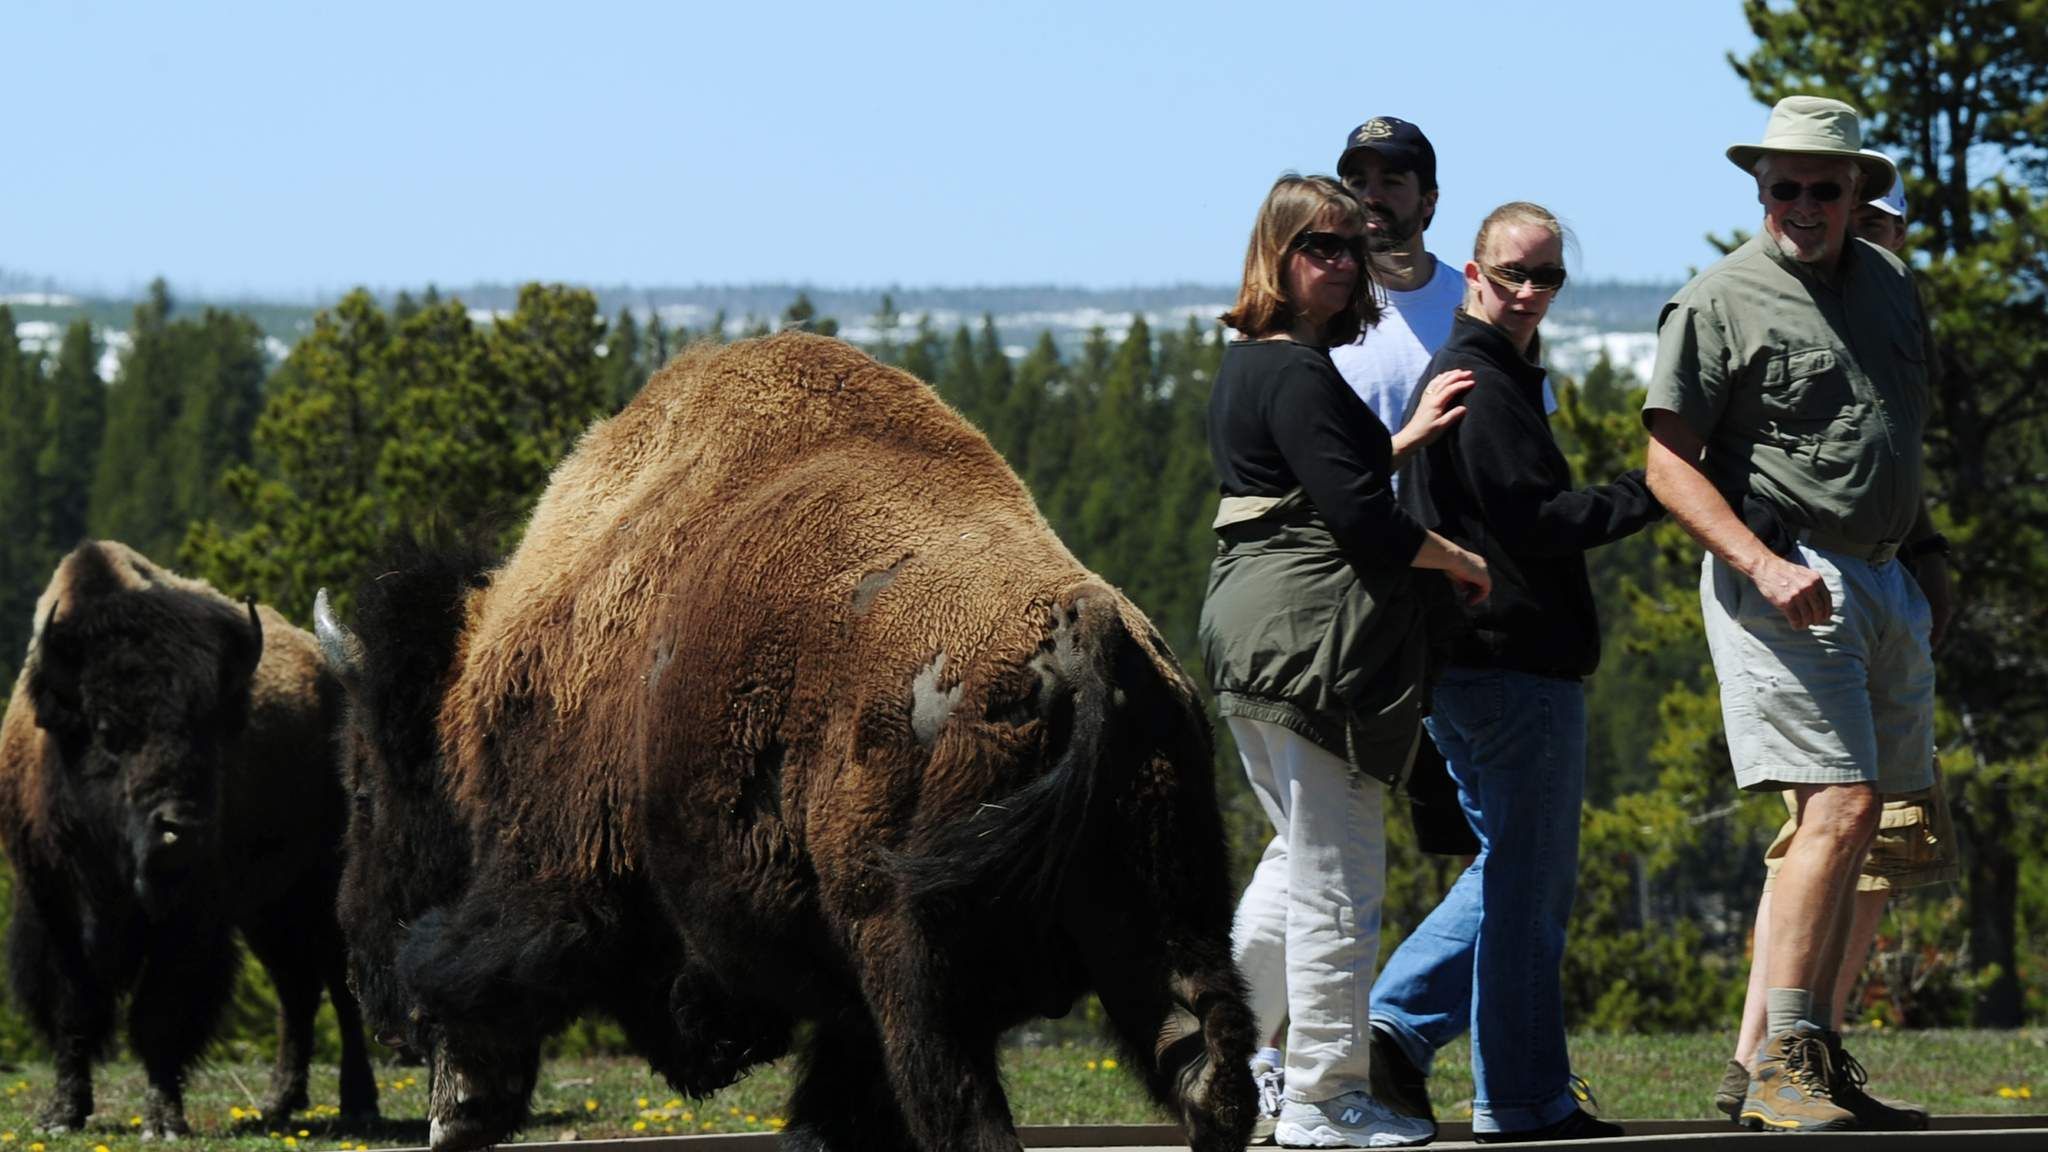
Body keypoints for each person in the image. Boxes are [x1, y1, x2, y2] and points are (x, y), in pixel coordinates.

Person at [1642, 96, 1948, 1133]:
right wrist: (1761, 566)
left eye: (1824, 188)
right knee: (1837, 809)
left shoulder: (1892, 286)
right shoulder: (1718, 300)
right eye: (1783, 188)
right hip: (1786, 573)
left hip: (1882, 575)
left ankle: (1800, 1055)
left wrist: (1924, 565)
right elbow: (1665, 466)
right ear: (1758, 189)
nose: (1802, 205)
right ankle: (1780, 1062)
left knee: (1879, 829)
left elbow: (1897, 436)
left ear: (1856, 190)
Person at [1200, 173, 1490, 1149]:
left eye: (1350, 245)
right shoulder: (1296, 372)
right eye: (1316, 245)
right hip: (1314, 646)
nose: (1338, 261)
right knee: (1337, 875)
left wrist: (1397, 439)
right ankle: (1323, 1101)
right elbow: (1364, 520)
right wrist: (1455, 560)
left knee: (1294, 860)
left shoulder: (1249, 365)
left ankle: (1215, 1058)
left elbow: (1318, 480)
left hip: (1251, 637)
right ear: (1273, 258)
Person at [1365, 202, 1660, 1145]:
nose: (1531, 293)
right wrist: (1653, 489)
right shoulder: (1485, 384)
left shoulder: (1481, 372)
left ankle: (1397, 1029)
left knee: (1514, 873)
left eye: (1548, 278)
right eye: (1514, 274)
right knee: (1530, 892)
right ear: (1475, 272)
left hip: (1479, 666)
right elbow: (1535, 521)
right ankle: (1524, 1100)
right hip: (1511, 668)